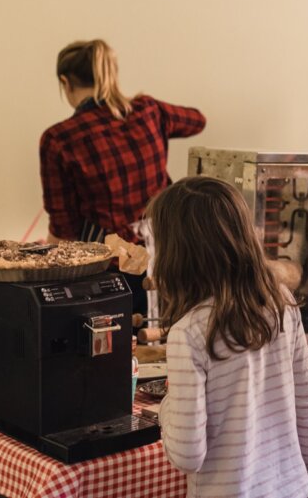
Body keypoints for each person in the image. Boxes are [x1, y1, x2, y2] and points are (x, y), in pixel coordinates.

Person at [150, 177, 308, 498]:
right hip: (293, 489)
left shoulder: (188, 332)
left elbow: (188, 455)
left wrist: (166, 406)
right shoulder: (281, 300)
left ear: (175, 253)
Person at [39, 39, 206, 313]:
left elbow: (63, 229)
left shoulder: (59, 138)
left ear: (65, 82)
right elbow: (197, 120)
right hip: (170, 261)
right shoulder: (149, 110)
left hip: (111, 276)